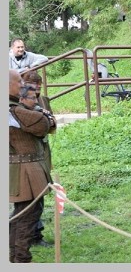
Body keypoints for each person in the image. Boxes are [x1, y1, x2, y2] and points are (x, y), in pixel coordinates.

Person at [9, 70, 56, 263]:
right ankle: (20, 259)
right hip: (24, 169)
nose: (23, 84)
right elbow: (42, 124)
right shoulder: (14, 109)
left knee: (23, 214)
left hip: (28, 166)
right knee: (27, 216)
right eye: (19, 81)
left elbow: (49, 124)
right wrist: (40, 112)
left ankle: (15, 257)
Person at [20, 70, 55, 249]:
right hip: (25, 157)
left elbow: (51, 123)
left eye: (39, 87)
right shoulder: (18, 105)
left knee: (40, 194)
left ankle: (34, 233)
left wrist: (47, 121)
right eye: (33, 88)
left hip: (42, 151)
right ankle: (28, 234)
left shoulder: (43, 100)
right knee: (29, 200)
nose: (37, 92)